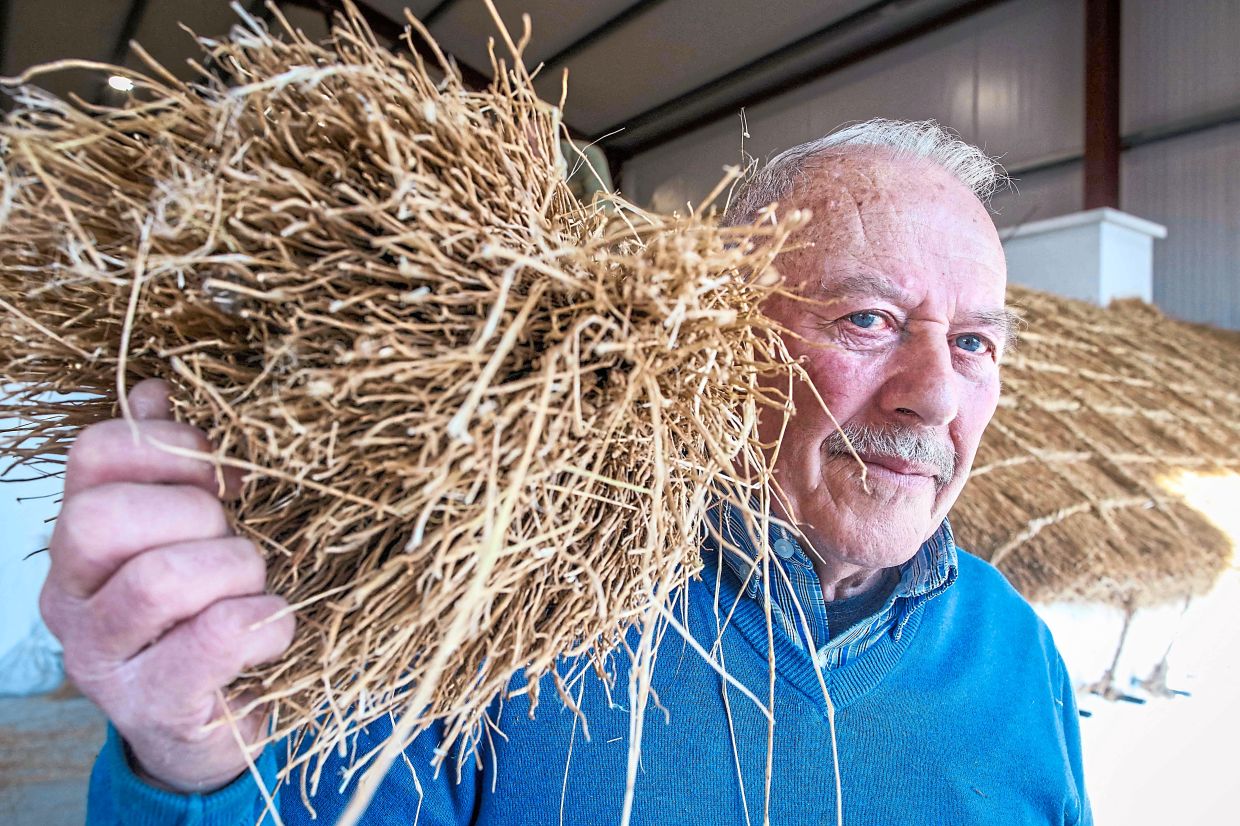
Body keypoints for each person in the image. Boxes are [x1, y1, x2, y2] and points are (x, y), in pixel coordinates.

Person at [45, 119, 1091, 824]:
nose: (935, 395)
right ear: (708, 335)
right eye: (867, 320)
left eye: (975, 344)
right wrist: (191, 765)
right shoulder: (507, 615)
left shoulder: (1018, 656)